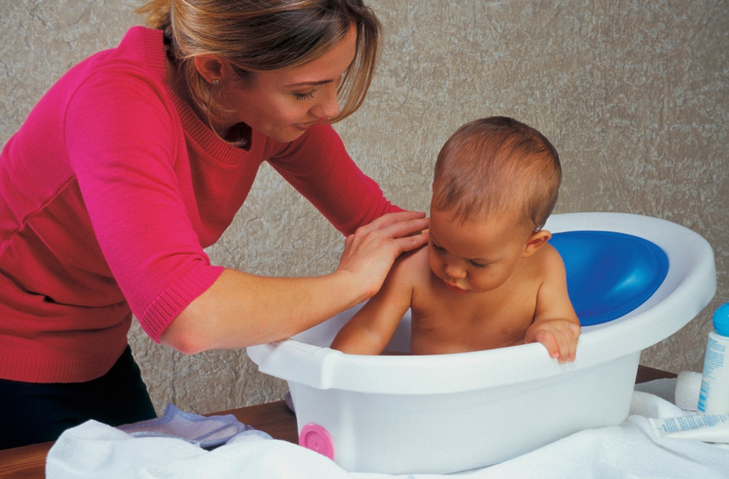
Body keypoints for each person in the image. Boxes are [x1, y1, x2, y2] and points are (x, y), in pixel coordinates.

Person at [0, 0, 429, 449]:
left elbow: (384, 225)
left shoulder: (259, 113)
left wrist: (498, 263)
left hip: (100, 349)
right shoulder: (116, 101)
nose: (330, 107)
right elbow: (189, 315)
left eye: (335, 82)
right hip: (12, 356)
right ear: (214, 69)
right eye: (304, 92)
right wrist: (352, 282)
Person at [331, 117, 581, 362]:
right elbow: (368, 331)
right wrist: (334, 371)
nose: (453, 270)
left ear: (531, 245)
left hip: (505, 391)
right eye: (438, 246)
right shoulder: (412, 269)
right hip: (433, 394)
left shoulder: (544, 266)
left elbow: (562, 322)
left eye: (477, 263)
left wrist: (550, 329)